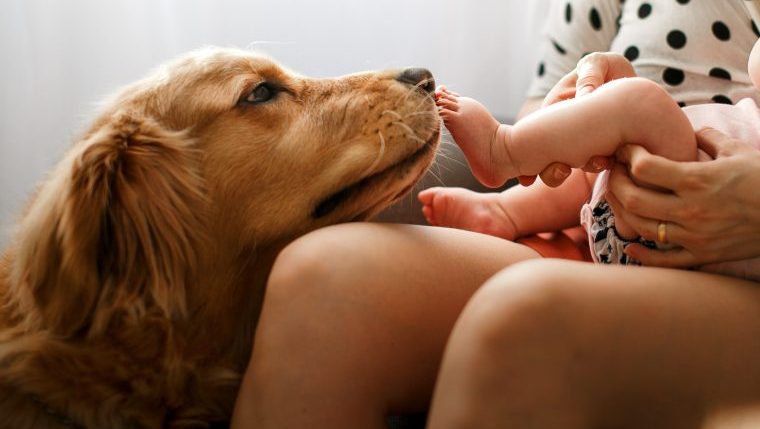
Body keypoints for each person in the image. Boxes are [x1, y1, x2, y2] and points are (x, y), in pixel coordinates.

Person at [229, 2, 760, 428]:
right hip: (594, 225)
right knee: (324, 280)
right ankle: (505, 193)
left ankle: (505, 157)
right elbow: (550, 149)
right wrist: (587, 102)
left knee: (525, 318)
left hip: (736, 281)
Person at [421, 49, 760, 278]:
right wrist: (587, 114)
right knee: (597, 160)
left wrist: (621, 107)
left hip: (689, 235)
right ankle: (505, 211)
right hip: (651, 210)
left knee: (642, 106)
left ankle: (504, 150)